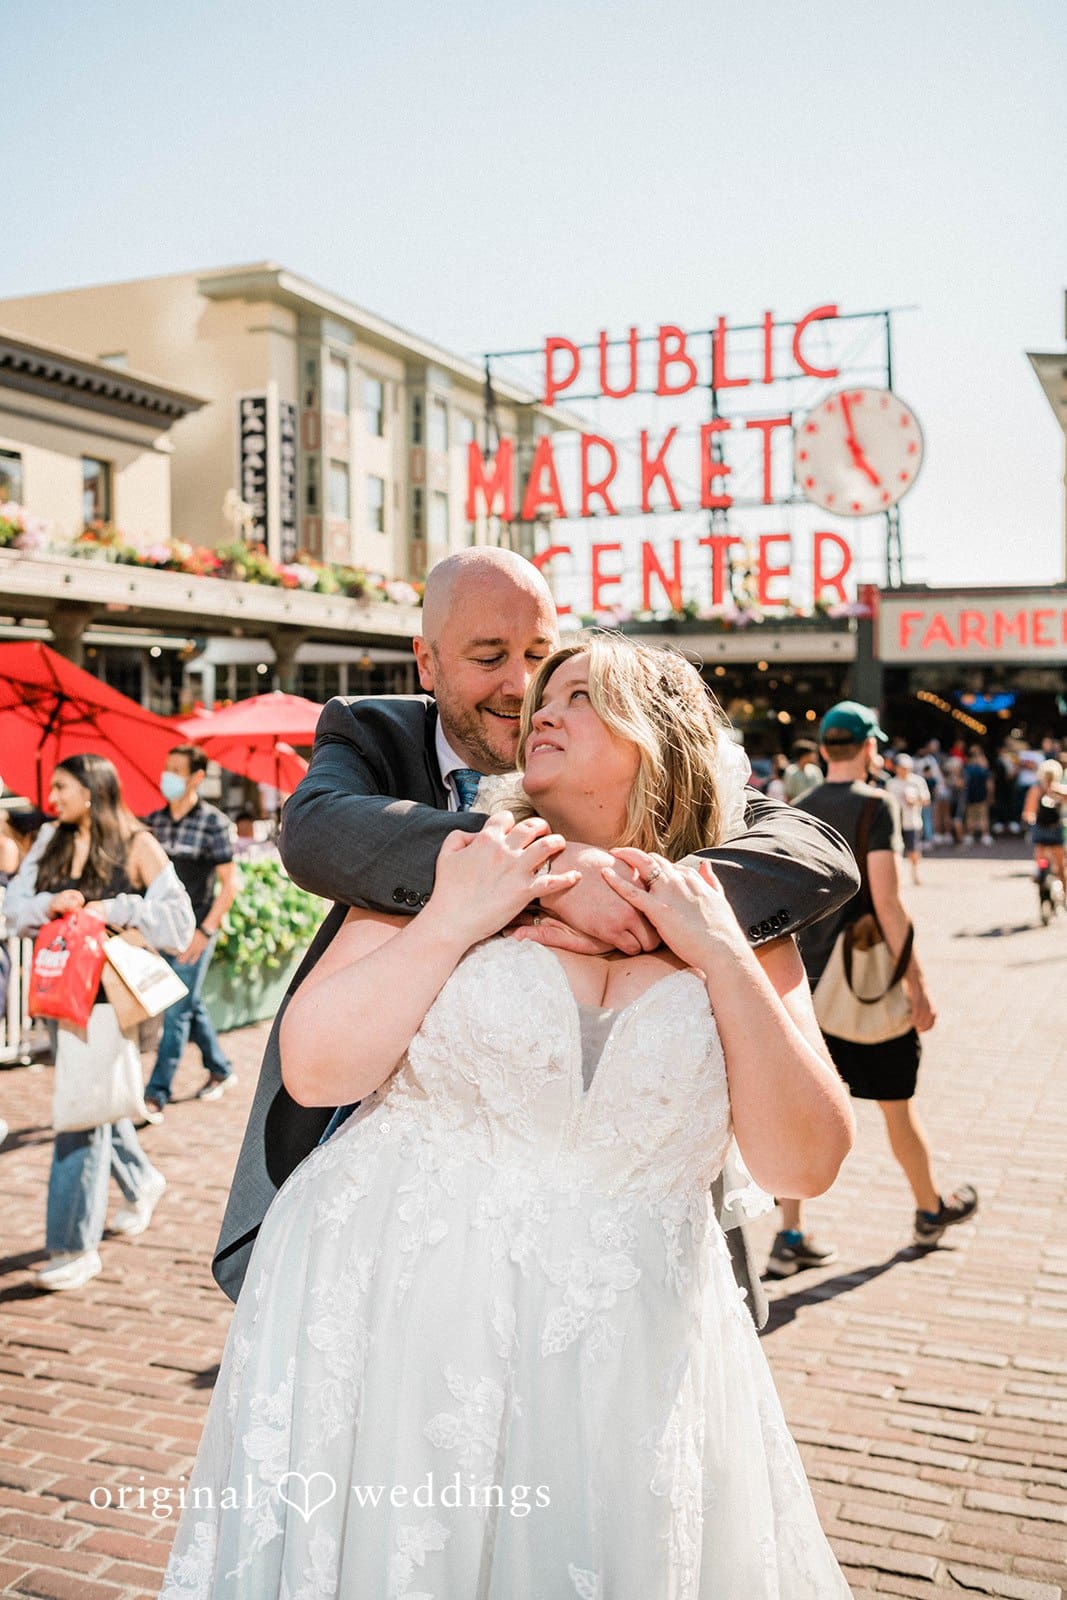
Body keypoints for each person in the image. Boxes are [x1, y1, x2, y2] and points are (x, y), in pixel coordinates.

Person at [160, 635, 855, 1598]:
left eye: (580, 695)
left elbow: (803, 1164)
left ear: (660, 736)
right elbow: (316, 1070)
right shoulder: (461, 863)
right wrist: (458, 917)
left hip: (630, 1341)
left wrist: (720, 952)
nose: (540, 709)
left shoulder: (733, 911)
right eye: (542, 699)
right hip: (397, 1303)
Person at [212, 548, 861, 1311]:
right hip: (398, 1240)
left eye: (544, 661)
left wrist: (658, 905)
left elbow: (812, 849)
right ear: (426, 662)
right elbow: (320, 832)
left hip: (639, 1276)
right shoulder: (375, 742)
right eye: (489, 657)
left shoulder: (704, 868)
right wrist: (544, 870)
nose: (525, 692)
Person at [765, 702, 978, 1279]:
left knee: (802, 1111)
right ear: (866, 748)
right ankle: (929, 1211)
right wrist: (918, 983)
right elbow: (887, 901)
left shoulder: (799, 810)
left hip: (807, 985)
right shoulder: (875, 806)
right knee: (896, 1105)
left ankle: (788, 1236)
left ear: (823, 748)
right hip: (865, 986)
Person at [4, 754, 195, 1291]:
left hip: (108, 998)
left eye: (61, 787)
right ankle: (142, 1179)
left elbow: (179, 924)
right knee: (91, 1100)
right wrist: (50, 903)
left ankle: (73, 1247)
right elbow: (13, 907)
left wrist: (115, 909)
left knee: (78, 1117)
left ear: (92, 790)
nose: (52, 798)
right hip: (58, 992)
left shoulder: (137, 844)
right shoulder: (50, 840)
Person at [142, 746, 239, 1122]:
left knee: (176, 1012)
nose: (168, 775)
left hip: (194, 933)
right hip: (159, 933)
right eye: (167, 767)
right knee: (189, 1004)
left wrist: (205, 931)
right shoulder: (154, 822)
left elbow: (229, 885)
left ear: (197, 777)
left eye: (177, 769)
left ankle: (156, 1094)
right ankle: (221, 1068)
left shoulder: (213, 823)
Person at [1023, 759, 1067, 898]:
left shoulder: (1037, 789)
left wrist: (1031, 820)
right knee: (1060, 865)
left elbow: (1028, 812)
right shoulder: (1058, 789)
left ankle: (1041, 874)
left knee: (1042, 857)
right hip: (1054, 829)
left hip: (1041, 829)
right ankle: (1064, 891)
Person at [886, 753, 930, 885]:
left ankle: (915, 873)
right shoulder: (891, 783)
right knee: (895, 850)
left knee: (914, 850)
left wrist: (914, 801)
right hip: (895, 822)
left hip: (912, 821)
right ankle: (897, 875)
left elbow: (926, 800)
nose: (904, 770)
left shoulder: (918, 781)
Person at [962, 745, 993, 846]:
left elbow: (964, 783)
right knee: (983, 816)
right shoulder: (983, 770)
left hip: (971, 796)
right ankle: (985, 835)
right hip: (981, 796)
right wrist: (990, 796)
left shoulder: (967, 769)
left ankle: (970, 835)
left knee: (970, 817)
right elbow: (989, 784)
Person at [783, 738, 824, 803]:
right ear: (804, 755)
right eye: (813, 754)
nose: (816, 756)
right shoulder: (791, 771)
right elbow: (789, 795)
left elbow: (821, 790)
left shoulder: (816, 770)